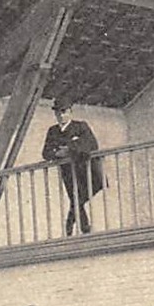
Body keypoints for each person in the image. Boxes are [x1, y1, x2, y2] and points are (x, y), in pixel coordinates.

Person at [42, 96, 102, 236]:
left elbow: (92, 144)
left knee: (82, 195)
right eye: (58, 113)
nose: (61, 115)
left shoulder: (81, 126)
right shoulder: (52, 131)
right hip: (68, 171)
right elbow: (46, 152)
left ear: (70, 112)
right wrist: (58, 154)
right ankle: (84, 227)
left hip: (85, 168)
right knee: (76, 198)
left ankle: (70, 219)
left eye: (64, 112)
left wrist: (69, 149)